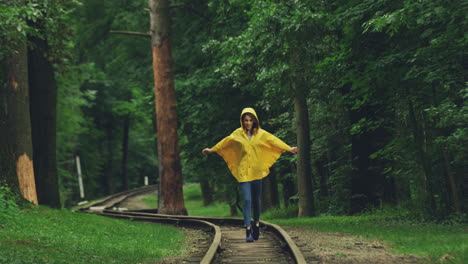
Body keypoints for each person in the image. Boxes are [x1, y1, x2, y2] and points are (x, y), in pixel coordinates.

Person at [202, 107, 298, 242]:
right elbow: (226, 142)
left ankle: (256, 224)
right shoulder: (237, 134)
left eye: (250, 120)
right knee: (247, 200)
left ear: (255, 121)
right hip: (243, 173)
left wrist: (289, 148)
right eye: (245, 120)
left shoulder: (261, 134)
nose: (248, 123)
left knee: (257, 201)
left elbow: (274, 141)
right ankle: (248, 230)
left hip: (257, 172)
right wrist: (211, 150)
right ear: (242, 121)